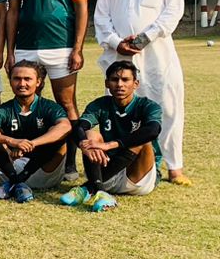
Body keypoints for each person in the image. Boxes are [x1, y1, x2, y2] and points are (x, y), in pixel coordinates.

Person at [93, 0, 188, 185]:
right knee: (122, 112)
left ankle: (175, 168)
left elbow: (173, 11)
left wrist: (144, 38)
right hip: (122, 58)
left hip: (158, 56)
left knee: (168, 108)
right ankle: (121, 166)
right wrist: (116, 42)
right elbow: (101, 18)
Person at [4, 0, 89, 181]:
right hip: (27, 47)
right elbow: (13, 11)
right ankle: (29, 156)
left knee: (66, 104)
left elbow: (81, 7)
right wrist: (10, 51)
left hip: (60, 45)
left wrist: (77, 48)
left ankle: (71, 164)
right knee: (26, 101)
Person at [62, 60, 161, 212]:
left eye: (125, 80)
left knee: (142, 138)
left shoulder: (148, 105)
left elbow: (153, 130)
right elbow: (79, 127)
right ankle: (100, 190)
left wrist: (110, 144)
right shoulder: (100, 104)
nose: (120, 84)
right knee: (89, 135)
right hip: (104, 169)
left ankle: (88, 188)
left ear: (136, 84)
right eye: (115, 80)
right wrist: (84, 144)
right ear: (107, 83)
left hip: (137, 177)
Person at [0, 60, 72, 203]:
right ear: (10, 81)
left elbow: (66, 127)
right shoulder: (4, 109)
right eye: (17, 79)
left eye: (27, 79)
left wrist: (31, 144)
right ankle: (17, 182)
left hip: (43, 172)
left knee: (58, 134)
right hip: (11, 169)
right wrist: (11, 141)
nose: (22, 84)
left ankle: (15, 183)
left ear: (38, 82)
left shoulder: (49, 106)